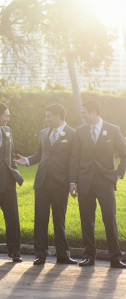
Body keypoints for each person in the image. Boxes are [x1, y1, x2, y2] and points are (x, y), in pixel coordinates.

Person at [15, 104, 77, 265]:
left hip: (60, 183)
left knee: (59, 220)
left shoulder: (73, 134)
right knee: (40, 219)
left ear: (58, 116)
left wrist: (72, 182)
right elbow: (39, 154)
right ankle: (40, 255)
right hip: (42, 182)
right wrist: (27, 160)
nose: (46, 119)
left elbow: (74, 160)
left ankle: (63, 255)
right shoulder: (43, 133)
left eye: (48, 116)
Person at [69, 100, 126, 268]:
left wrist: (118, 173)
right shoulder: (79, 131)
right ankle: (89, 256)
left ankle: (116, 258)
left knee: (109, 218)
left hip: (105, 181)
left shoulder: (113, 129)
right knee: (86, 220)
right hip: (84, 181)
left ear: (95, 112)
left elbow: (125, 155)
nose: (83, 115)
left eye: (85, 112)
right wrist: (73, 182)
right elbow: (74, 157)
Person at [0, 102, 23, 263]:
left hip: (8, 182)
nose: (9, 118)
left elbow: (12, 153)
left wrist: (14, 171)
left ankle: (15, 251)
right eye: (6, 114)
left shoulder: (7, 131)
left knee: (13, 218)